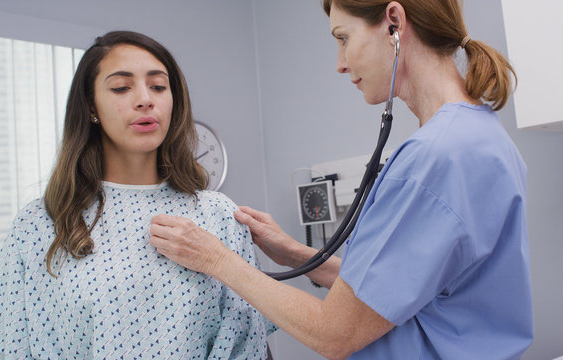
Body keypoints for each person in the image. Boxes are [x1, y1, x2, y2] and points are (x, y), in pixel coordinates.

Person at [149, 0, 533, 359]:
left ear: (394, 23)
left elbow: (335, 332)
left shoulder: (437, 157)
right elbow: (391, 293)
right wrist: (297, 254)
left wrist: (215, 258)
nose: (340, 63)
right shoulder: (478, 137)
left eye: (343, 38)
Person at [0, 30, 273, 359]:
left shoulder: (219, 215)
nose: (145, 99)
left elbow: (244, 343)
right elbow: (9, 348)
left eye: (158, 86)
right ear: (91, 106)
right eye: (122, 87)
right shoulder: (40, 223)